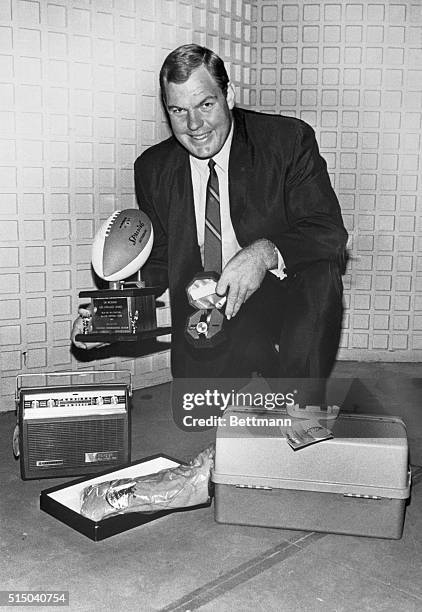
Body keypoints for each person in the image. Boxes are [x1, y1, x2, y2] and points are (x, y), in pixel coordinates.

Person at [72, 44, 347, 385]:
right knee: (199, 418)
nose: (194, 124)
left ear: (228, 95)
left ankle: (299, 394)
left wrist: (263, 253)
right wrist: (113, 315)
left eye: (205, 104)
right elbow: (159, 261)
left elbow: (328, 232)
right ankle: (259, 362)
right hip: (208, 304)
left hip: (282, 294)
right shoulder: (152, 168)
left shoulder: (286, 140)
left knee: (322, 272)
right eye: (178, 110)